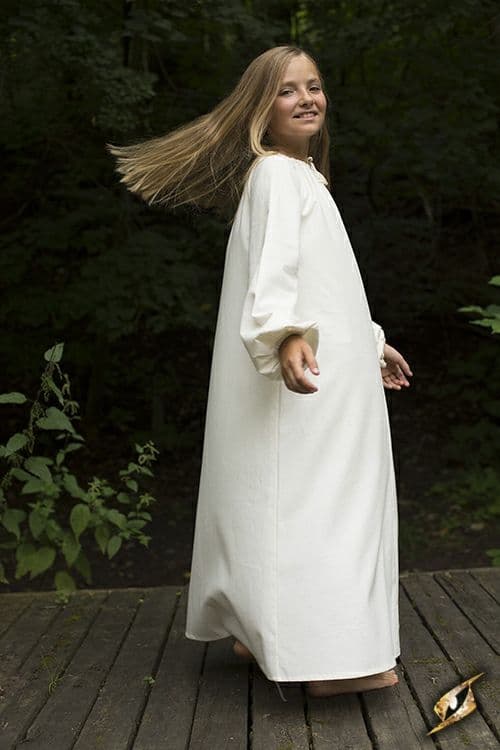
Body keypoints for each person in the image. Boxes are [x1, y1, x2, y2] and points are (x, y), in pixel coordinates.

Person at [108, 45, 413, 702]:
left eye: (314, 85)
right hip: (312, 376)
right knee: (324, 501)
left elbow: (327, 282)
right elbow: (272, 274)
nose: (307, 98)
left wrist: (371, 343)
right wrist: (284, 336)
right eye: (287, 90)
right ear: (259, 107)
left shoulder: (300, 176)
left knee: (289, 493)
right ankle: (329, 658)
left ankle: (260, 628)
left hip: (334, 369)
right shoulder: (277, 175)